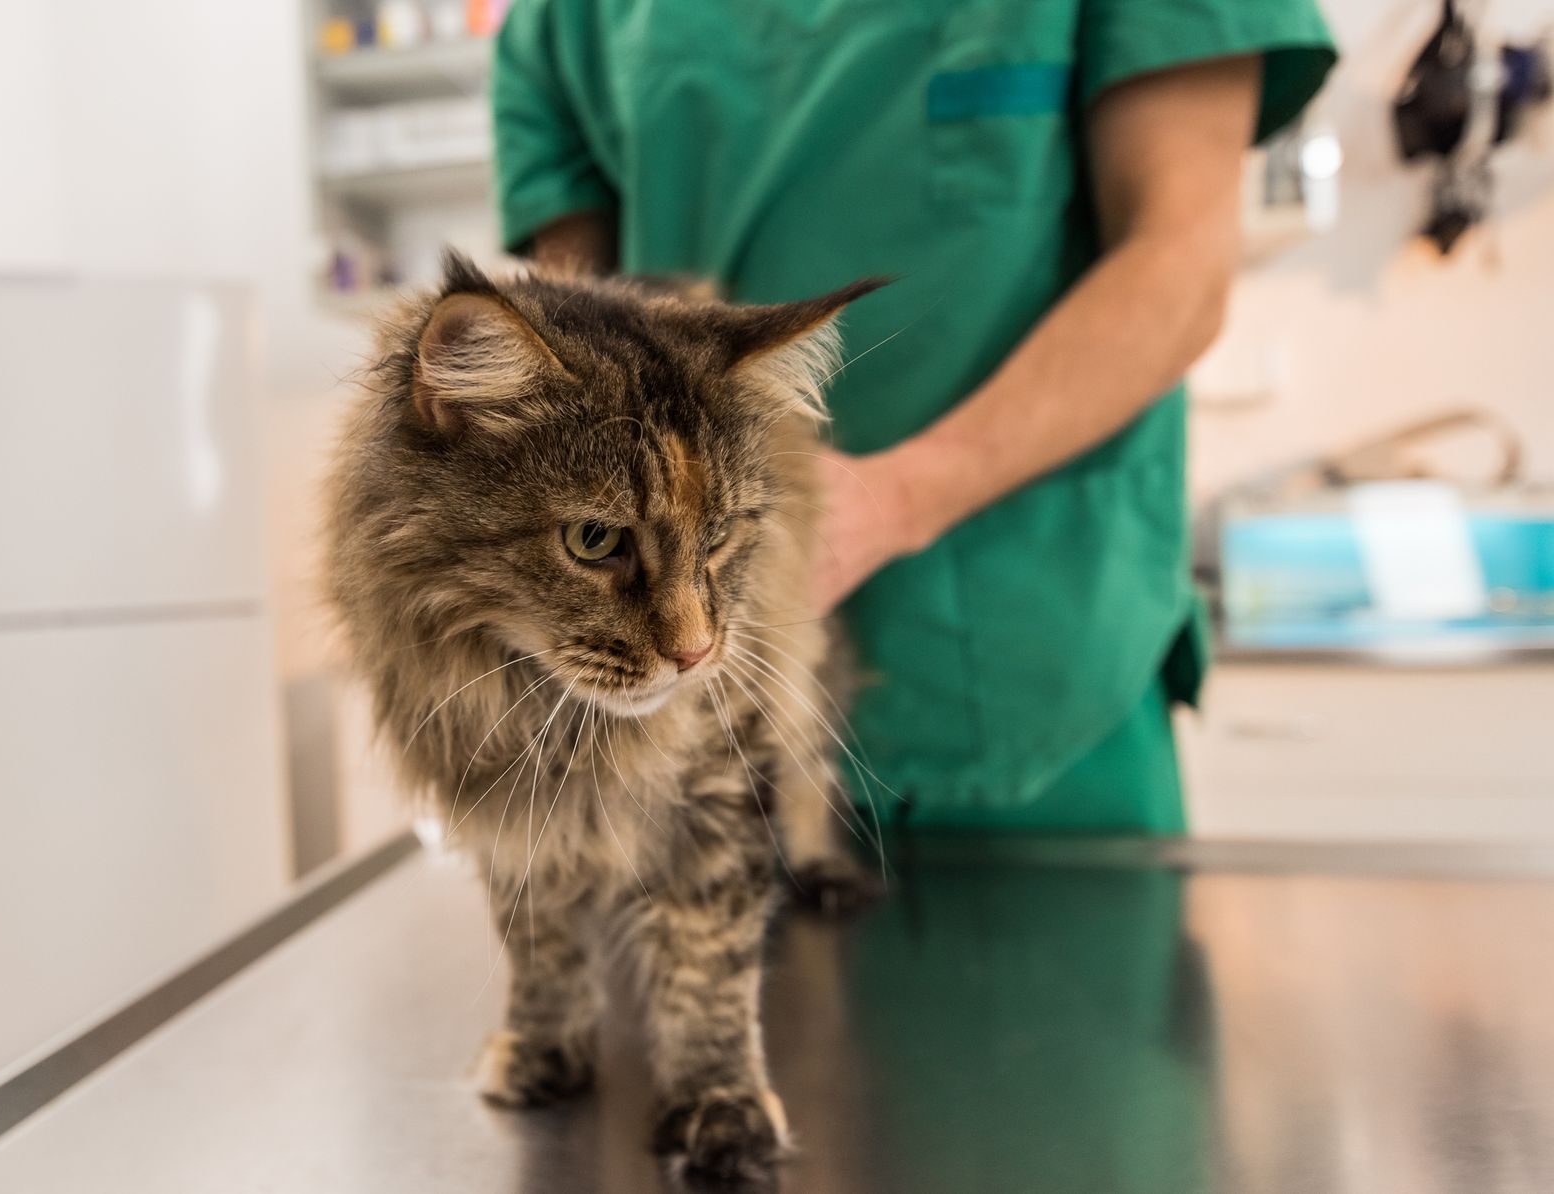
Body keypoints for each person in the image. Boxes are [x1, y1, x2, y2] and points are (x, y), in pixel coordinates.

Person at [491, 0, 1336, 834]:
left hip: (1037, 679)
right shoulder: (562, 22)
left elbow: (1180, 263)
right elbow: (572, 347)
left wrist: (890, 503)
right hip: (692, 721)